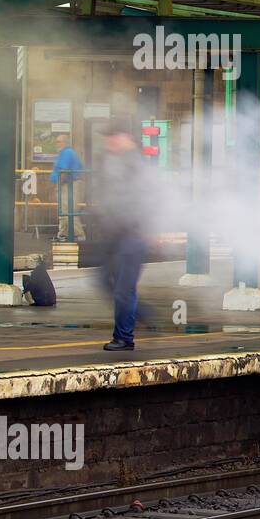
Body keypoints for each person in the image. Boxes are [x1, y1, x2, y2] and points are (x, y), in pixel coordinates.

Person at [93, 120, 151, 351]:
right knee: (105, 281)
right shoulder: (111, 162)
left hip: (132, 235)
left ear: (125, 137)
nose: (108, 141)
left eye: (112, 136)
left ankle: (124, 338)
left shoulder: (136, 164)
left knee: (123, 289)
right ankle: (142, 314)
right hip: (114, 234)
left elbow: (147, 199)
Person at [49, 133, 85, 241]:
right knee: (64, 211)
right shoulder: (64, 153)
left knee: (69, 210)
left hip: (69, 184)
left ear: (65, 142)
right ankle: (63, 234)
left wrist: (58, 185)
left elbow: (64, 171)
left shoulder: (67, 152)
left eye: (59, 141)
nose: (57, 143)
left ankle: (79, 234)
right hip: (67, 184)